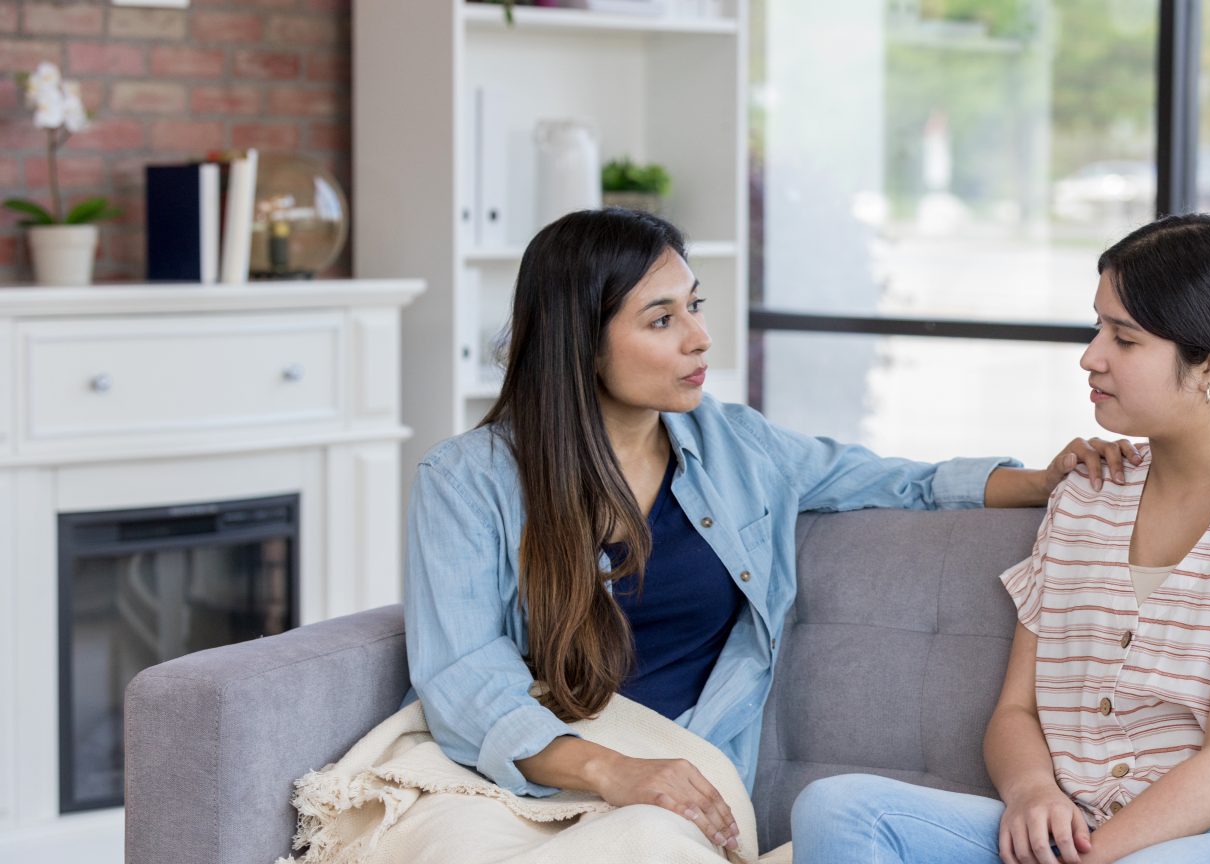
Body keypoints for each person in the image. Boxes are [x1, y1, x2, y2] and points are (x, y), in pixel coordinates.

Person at [403, 207, 1135, 853]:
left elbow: (895, 480)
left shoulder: (736, 447)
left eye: (694, 306)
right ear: (581, 343)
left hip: (681, 781)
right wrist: (610, 769)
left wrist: (1042, 481)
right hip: (530, 772)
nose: (700, 338)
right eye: (661, 320)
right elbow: (464, 672)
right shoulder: (467, 480)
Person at [790, 213, 1210, 864]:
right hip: (1089, 830)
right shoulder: (1088, 492)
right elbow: (1016, 712)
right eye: (1097, 327)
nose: (1090, 356)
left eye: (1123, 339)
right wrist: (1032, 792)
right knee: (839, 810)